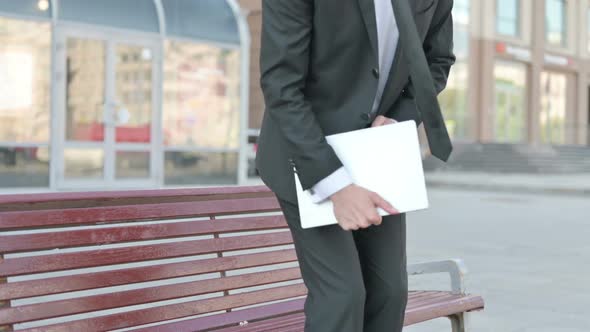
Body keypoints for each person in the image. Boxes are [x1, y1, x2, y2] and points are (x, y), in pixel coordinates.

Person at [255, 0, 455, 331]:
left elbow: (437, 61)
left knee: (390, 292)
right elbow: (280, 85)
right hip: (305, 152)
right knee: (342, 295)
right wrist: (335, 184)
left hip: (374, 153)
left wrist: (399, 118)